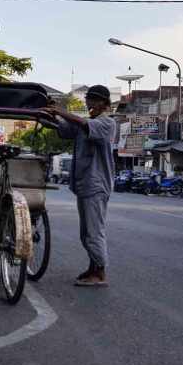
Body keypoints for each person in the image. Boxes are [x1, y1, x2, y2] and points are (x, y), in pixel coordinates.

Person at [45, 85, 116, 287]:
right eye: (88, 99)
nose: (89, 103)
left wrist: (60, 111)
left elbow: (82, 124)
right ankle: (93, 267)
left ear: (104, 103)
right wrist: (50, 114)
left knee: (94, 231)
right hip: (84, 184)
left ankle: (100, 272)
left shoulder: (107, 123)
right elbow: (65, 129)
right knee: (85, 233)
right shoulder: (86, 123)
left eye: (94, 100)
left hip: (97, 184)